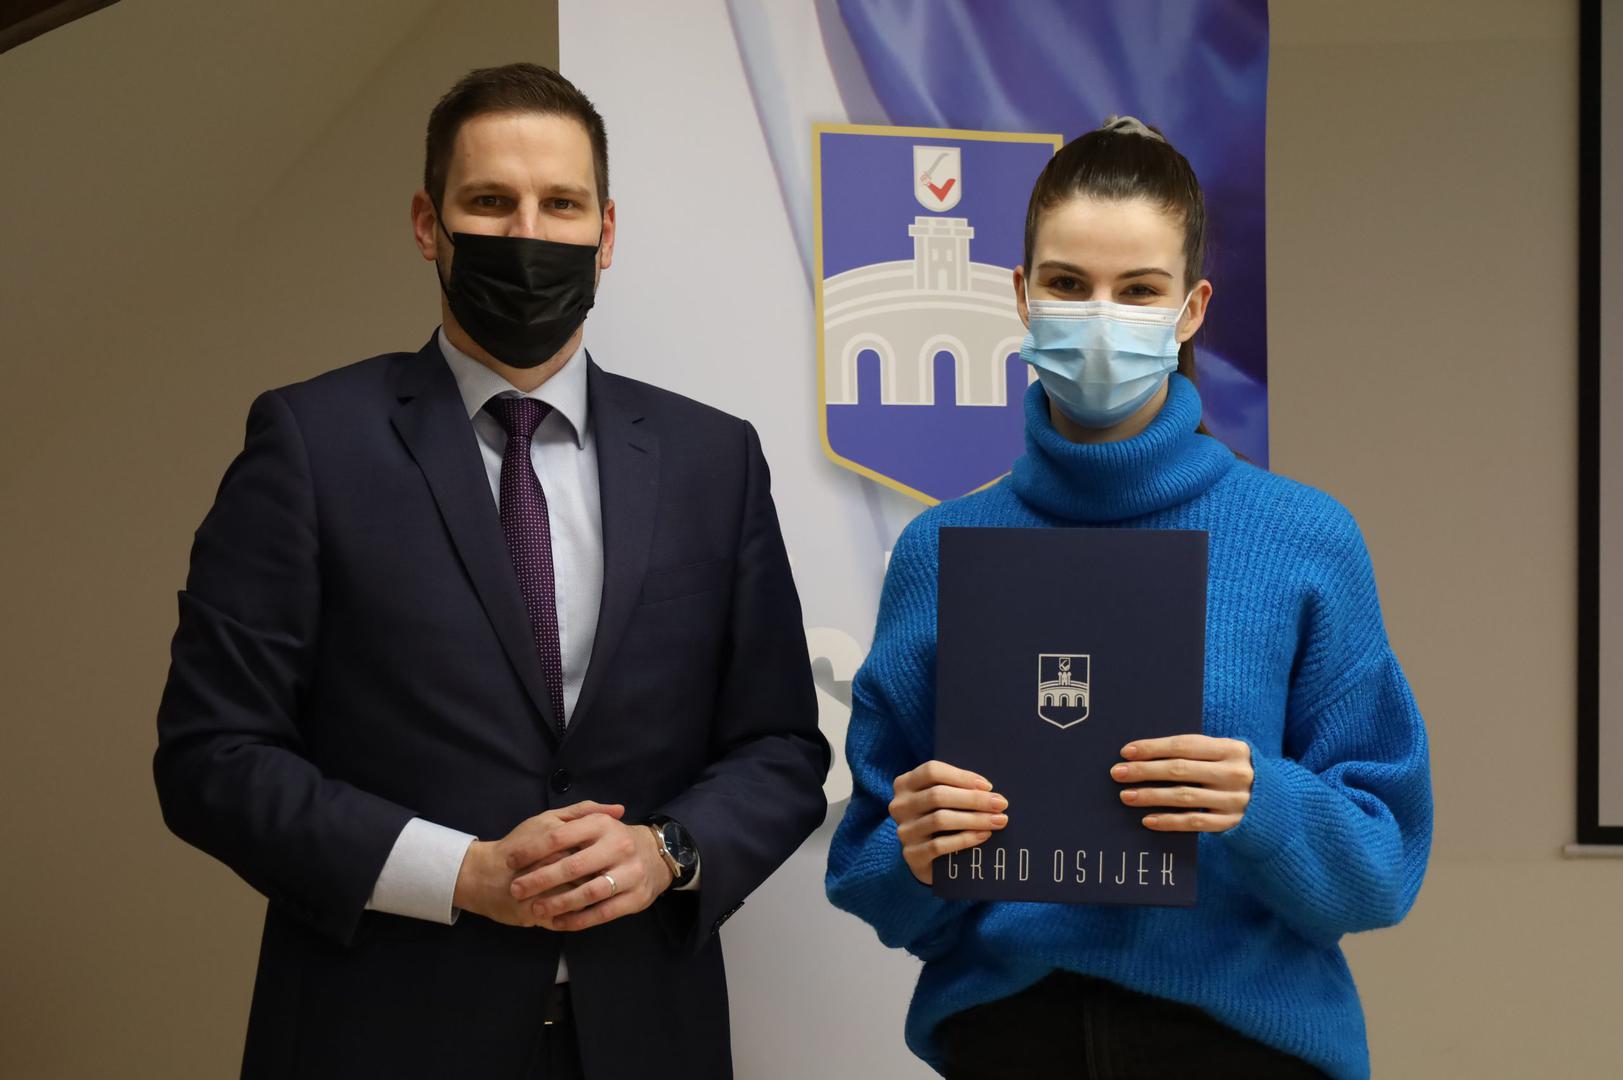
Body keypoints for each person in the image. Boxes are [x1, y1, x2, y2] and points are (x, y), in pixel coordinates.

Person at [154, 63, 829, 1080]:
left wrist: (668, 852)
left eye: (561, 204)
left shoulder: (714, 459)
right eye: (489, 202)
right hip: (377, 1037)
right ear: (428, 224)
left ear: (606, 231)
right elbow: (211, 754)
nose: (527, 234)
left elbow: (779, 744)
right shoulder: (309, 445)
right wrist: (460, 873)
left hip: (648, 1036)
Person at [825, 116, 1432, 1080]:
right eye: (1067, 284)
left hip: (1248, 1049)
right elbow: (867, 872)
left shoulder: (1304, 539)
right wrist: (916, 848)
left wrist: (1260, 801)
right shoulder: (940, 551)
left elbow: (1380, 869)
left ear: (1190, 309)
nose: (1100, 317)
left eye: (1139, 289)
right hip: (1009, 1043)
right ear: (1021, 295)